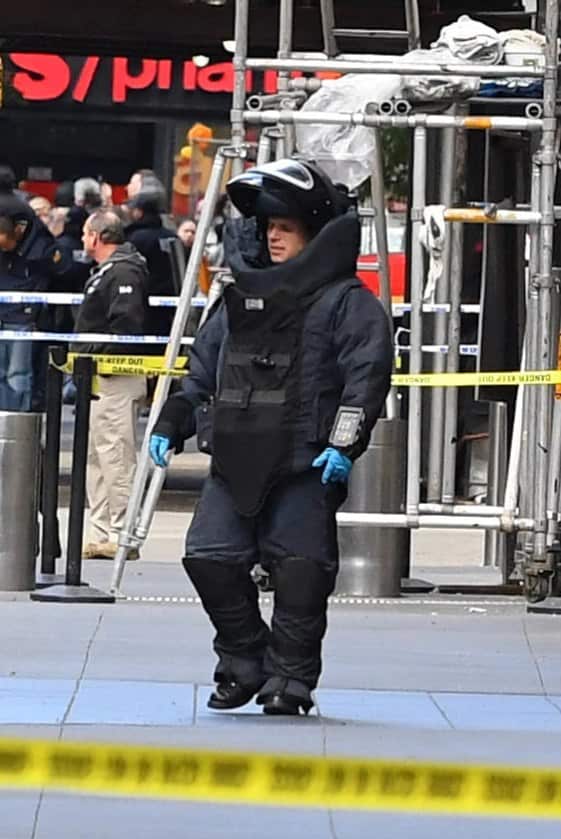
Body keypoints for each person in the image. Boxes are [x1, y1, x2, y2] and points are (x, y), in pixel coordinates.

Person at [149, 159, 393, 715]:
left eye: (285, 225)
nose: (273, 235)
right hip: (234, 462)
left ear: (314, 230)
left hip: (305, 463)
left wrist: (343, 444)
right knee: (209, 557)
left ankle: (291, 678)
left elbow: (367, 376)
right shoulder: (236, 303)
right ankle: (244, 659)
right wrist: (171, 421)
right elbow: (200, 376)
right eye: (267, 226)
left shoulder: (347, 303)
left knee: (302, 570)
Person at [74, 210, 149, 560]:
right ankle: (102, 530)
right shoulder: (110, 271)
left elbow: (126, 327)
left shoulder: (124, 272)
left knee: (117, 455)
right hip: (99, 375)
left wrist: (94, 352)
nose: (81, 239)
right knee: (97, 457)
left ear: (98, 236)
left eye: (85, 233)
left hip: (115, 375)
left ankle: (122, 534)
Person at [0, 194, 68, 410]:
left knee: (18, 376)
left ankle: (18, 428)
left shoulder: (41, 249)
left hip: (24, 318)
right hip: (9, 315)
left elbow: (63, 269)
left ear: (18, 232)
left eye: (6, 243)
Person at [125, 179, 178, 337]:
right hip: (171, 302)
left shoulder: (134, 238)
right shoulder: (171, 237)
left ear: (138, 212)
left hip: (142, 303)